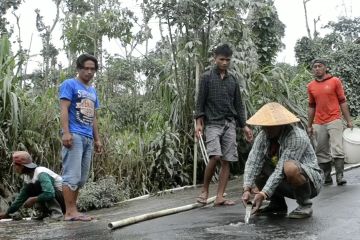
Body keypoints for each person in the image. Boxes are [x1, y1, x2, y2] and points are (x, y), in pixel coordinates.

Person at [242, 102, 323, 219]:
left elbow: (281, 169)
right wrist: (247, 188)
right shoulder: (263, 135)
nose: (266, 129)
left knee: (289, 167)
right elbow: (253, 161)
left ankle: (305, 205)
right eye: (265, 126)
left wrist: (264, 193)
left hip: (310, 183)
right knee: (259, 166)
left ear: (281, 125)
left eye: (271, 126)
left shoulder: (296, 136)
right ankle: (277, 204)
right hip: (283, 182)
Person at [194, 44, 253, 206]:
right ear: (215, 59)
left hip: (230, 123)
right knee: (215, 156)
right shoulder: (207, 77)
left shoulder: (233, 79)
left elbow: (239, 105)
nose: (225, 63)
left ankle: (220, 196)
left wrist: (245, 126)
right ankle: (204, 191)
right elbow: (200, 102)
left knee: (227, 160)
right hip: (212, 123)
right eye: (222, 59)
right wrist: (199, 122)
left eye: (228, 60)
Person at [59, 53, 102, 221]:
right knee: (72, 175)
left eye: (93, 69)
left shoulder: (92, 90)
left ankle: (73, 210)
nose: (89, 72)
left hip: (88, 137)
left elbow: (93, 116)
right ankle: (69, 212)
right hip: (74, 135)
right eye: (86, 68)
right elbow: (63, 109)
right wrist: (66, 132)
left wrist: (97, 139)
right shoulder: (69, 84)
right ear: (79, 69)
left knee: (82, 178)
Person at [307, 58, 353, 186]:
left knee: (337, 148)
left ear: (325, 67)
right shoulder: (311, 86)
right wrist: (309, 125)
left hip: (334, 119)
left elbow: (342, 101)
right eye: (315, 67)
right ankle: (327, 177)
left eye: (319, 66)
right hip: (318, 121)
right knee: (321, 151)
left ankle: (339, 176)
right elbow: (311, 106)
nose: (317, 68)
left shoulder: (335, 81)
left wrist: (349, 120)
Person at [0, 151, 65, 221]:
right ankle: (43, 213)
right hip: (56, 197)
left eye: (14, 165)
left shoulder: (41, 173)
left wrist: (33, 199)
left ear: (21, 166)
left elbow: (50, 193)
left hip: (63, 198)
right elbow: (20, 199)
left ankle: (57, 214)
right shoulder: (28, 178)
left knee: (38, 185)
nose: (14, 168)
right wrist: (6, 213)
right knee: (31, 187)